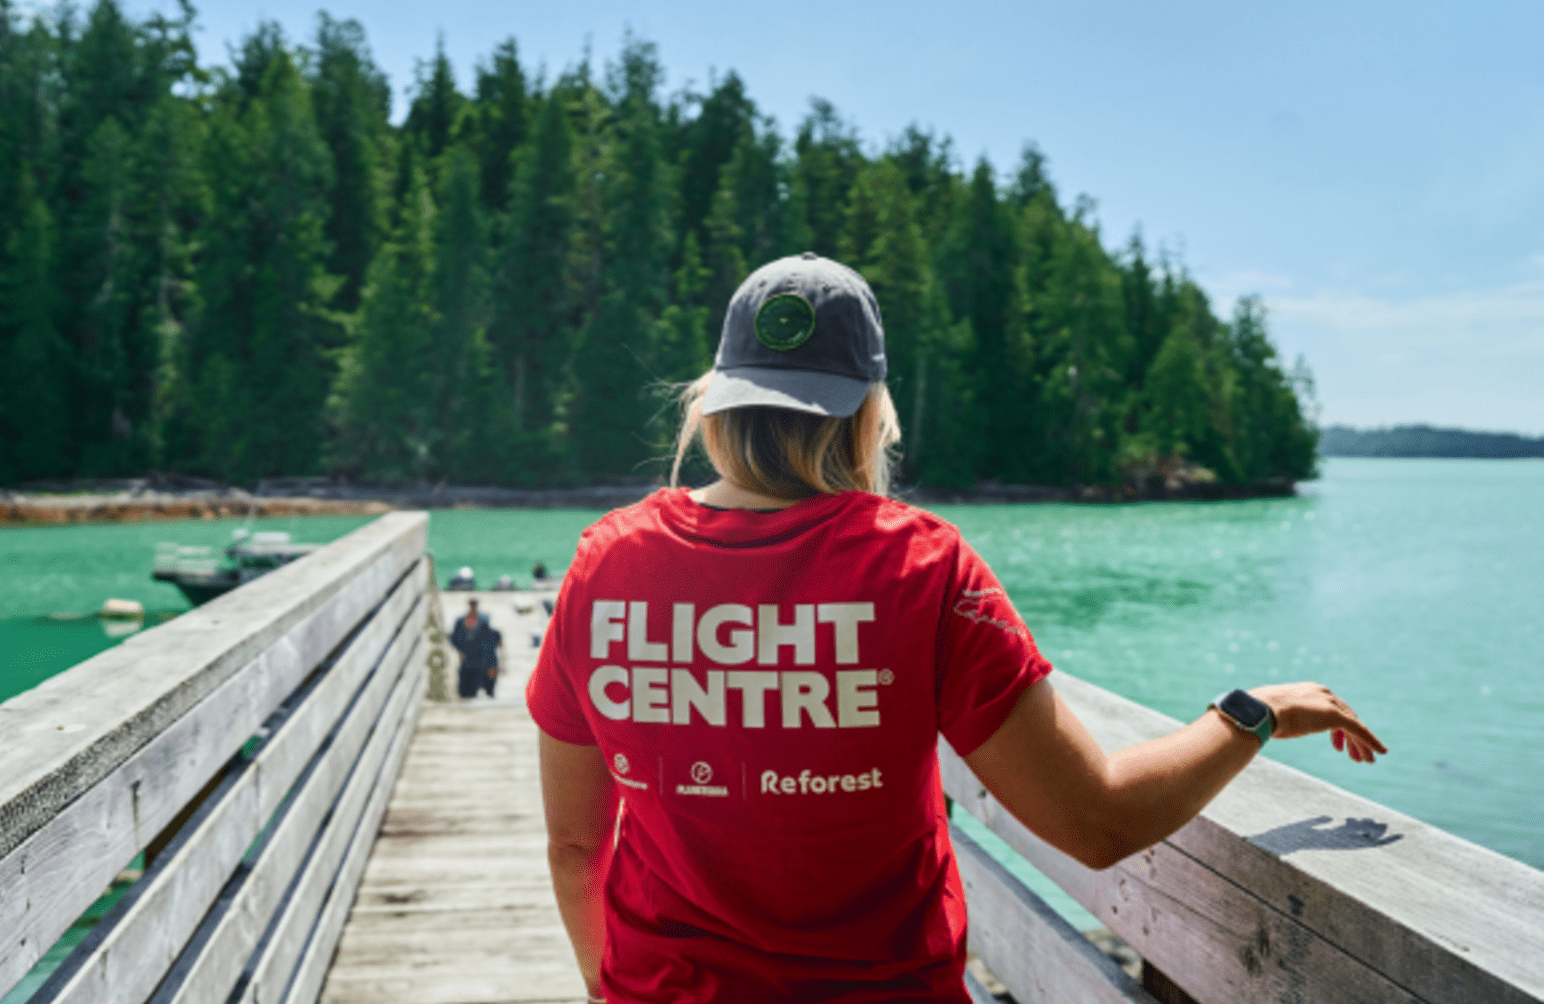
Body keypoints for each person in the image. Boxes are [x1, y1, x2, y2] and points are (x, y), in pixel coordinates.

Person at [526, 253, 1386, 1004]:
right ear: (867, 410)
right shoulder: (921, 569)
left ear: (715, 401)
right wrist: (1252, 712)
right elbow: (1098, 821)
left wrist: (613, 988)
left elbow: (574, 847)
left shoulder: (606, 563)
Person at [452, 599, 503, 699]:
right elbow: (455, 639)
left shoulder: (486, 627)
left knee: (488, 691)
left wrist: (495, 666)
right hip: (468, 663)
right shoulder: (461, 622)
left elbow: (493, 649)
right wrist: (460, 652)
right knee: (466, 692)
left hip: (482, 663)